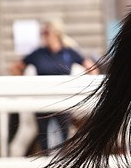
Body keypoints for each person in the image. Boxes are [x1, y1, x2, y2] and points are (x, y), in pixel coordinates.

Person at [10, 19, 97, 151]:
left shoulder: (68, 53)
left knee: (64, 139)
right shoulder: (38, 53)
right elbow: (16, 68)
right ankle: (45, 161)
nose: (44, 36)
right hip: (42, 102)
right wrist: (23, 86)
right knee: (44, 141)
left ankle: (62, 162)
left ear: (56, 34)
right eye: (42, 33)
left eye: (46, 33)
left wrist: (84, 87)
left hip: (63, 101)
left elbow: (92, 68)